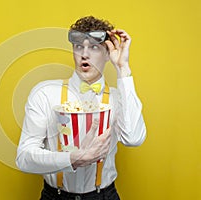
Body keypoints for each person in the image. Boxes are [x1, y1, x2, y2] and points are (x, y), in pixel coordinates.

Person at [16, 16, 146, 200]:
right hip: (56, 196)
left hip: (103, 196)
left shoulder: (119, 98)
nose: (85, 54)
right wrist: (73, 159)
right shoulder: (44, 93)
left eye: (94, 47)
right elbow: (24, 158)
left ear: (108, 53)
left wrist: (122, 68)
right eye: (79, 46)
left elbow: (133, 139)